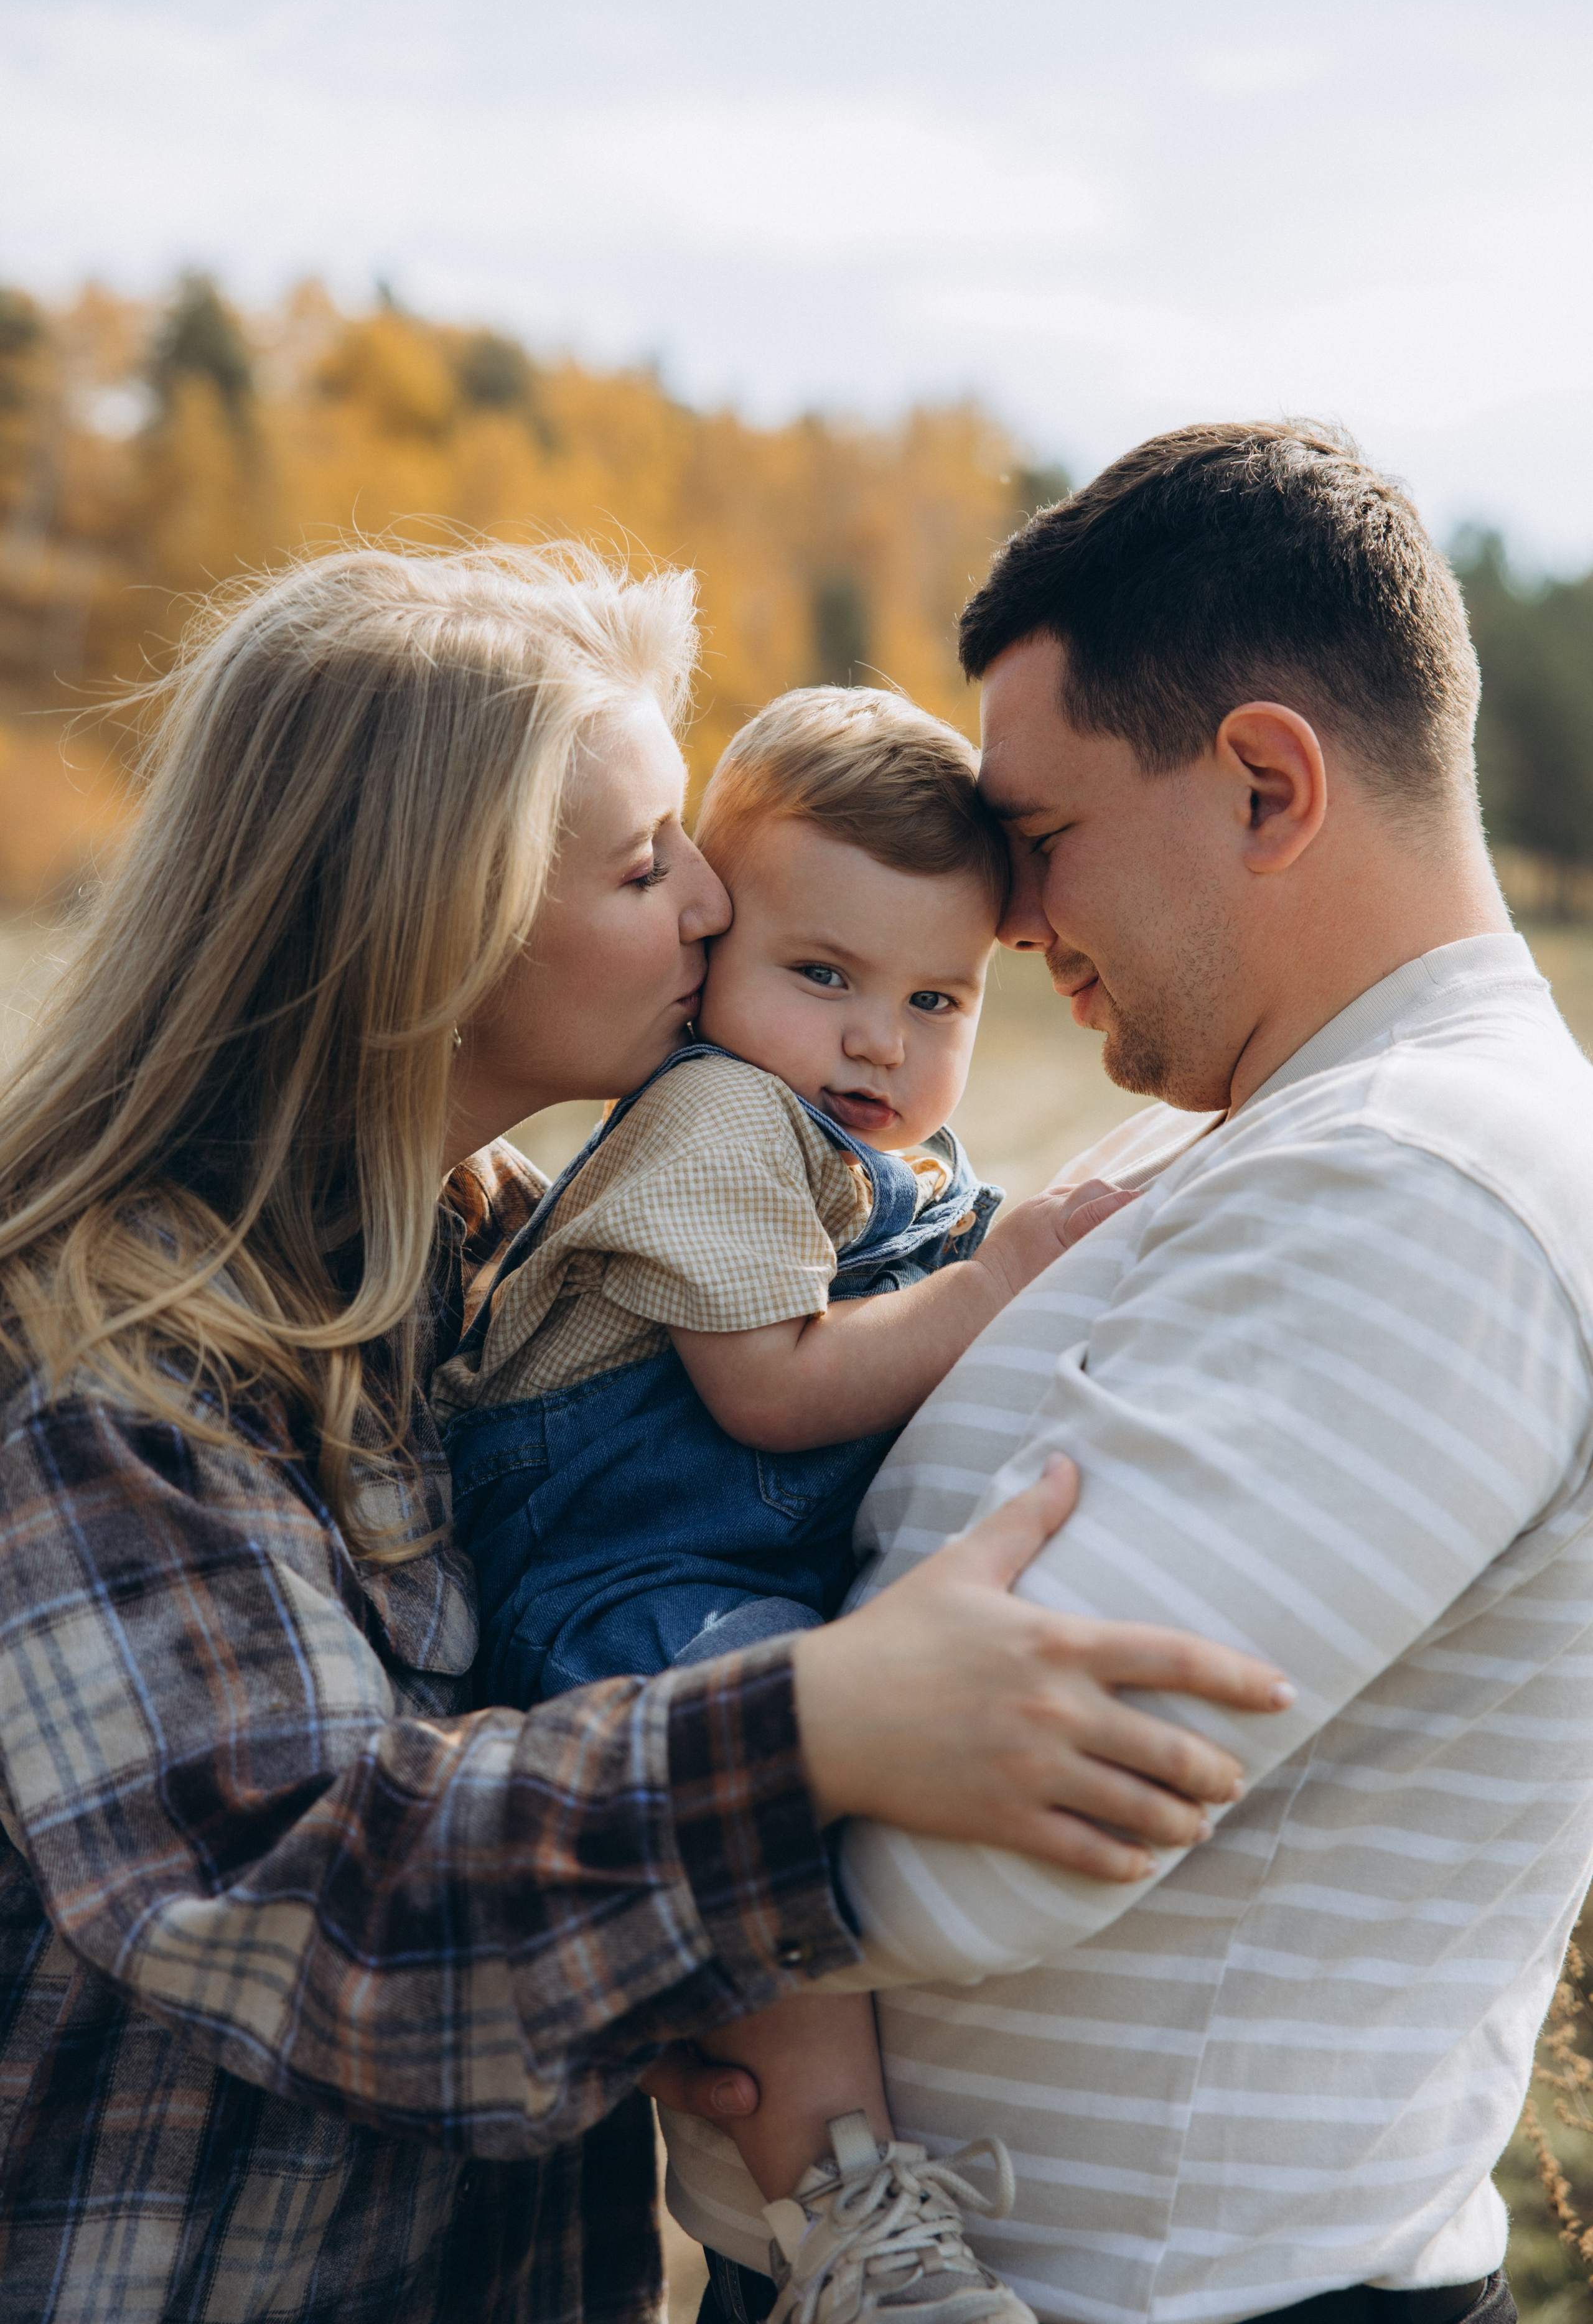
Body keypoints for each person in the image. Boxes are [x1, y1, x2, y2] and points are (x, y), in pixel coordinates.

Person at [0, 540, 1286, 2324]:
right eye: (643, 859)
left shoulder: (498, 1259)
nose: (707, 897)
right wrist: (819, 1727)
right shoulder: (105, 1358)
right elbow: (297, 1908)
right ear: (431, 925)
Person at [666, 421, 1593, 2324]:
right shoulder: (1264, 1128)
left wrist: (591, 1891)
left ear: (1266, 785)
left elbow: (984, 1857)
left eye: (1045, 836)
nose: (1007, 920)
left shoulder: (1429, 1183)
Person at [434, 688, 1137, 2324]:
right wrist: (996, 1284)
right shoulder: (721, 1115)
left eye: (934, 997)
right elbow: (774, 1391)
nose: (880, 1040)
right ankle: (851, 2223)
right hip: (612, 1575)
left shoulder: (866, 1134)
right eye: (822, 975)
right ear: (714, 948)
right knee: (760, 1784)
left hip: (715, 1559)